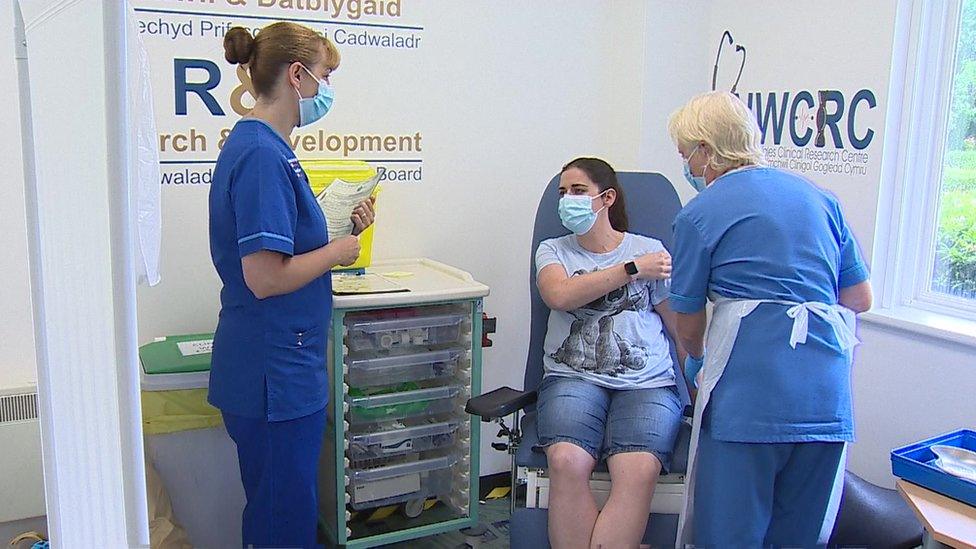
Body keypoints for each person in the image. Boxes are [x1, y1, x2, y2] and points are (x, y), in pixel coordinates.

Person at [667, 91, 873, 548]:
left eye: (686, 155)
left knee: (731, 534)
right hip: (825, 395)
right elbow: (858, 298)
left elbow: (687, 320)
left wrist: (698, 361)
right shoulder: (820, 199)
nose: (687, 167)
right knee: (800, 537)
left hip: (750, 398)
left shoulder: (700, 214)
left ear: (706, 150)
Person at [207, 23, 375, 548]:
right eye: (325, 75)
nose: (328, 88)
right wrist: (337, 253)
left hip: (280, 364)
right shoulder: (261, 155)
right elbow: (264, 277)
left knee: (279, 508)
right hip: (273, 372)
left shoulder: (269, 147)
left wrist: (342, 225)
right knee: (283, 518)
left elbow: (281, 246)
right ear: (297, 75)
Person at [534, 157, 689, 549]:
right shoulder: (554, 251)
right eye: (563, 192)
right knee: (567, 462)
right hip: (573, 376)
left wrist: (701, 379)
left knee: (637, 470)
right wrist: (632, 269)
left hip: (647, 382)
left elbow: (677, 326)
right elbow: (559, 294)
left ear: (606, 199)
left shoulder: (650, 249)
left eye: (578, 191)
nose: (567, 199)